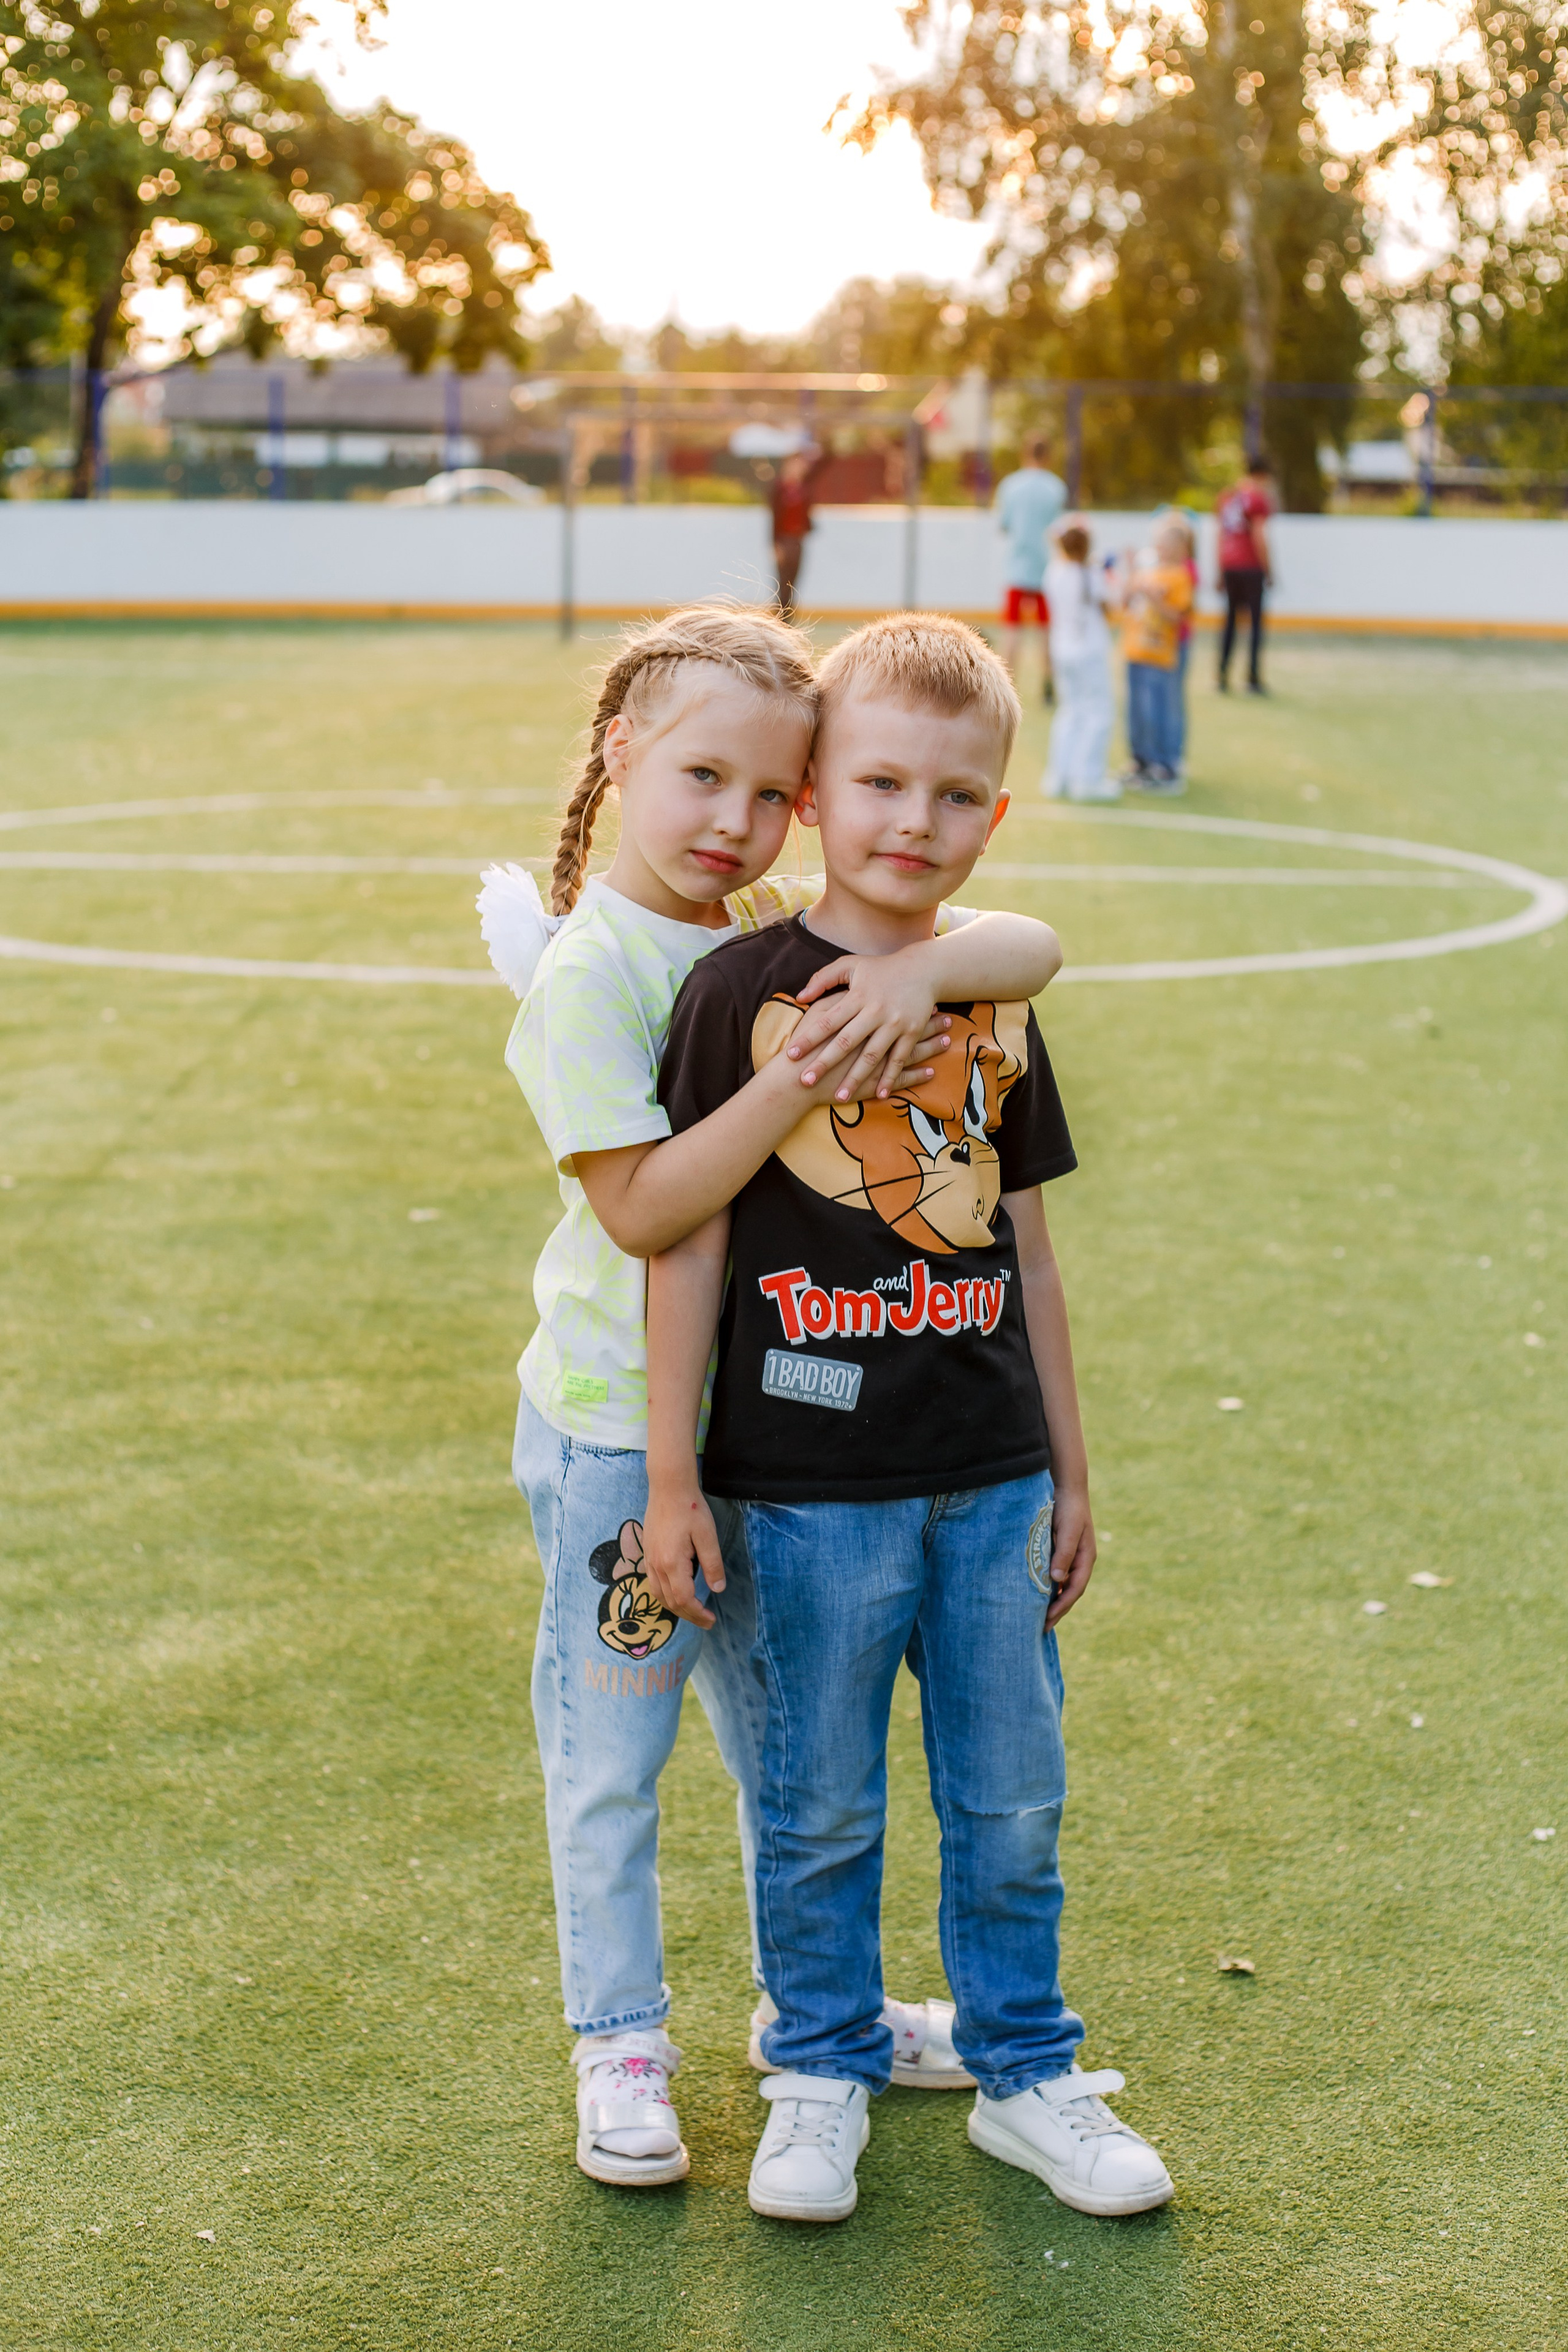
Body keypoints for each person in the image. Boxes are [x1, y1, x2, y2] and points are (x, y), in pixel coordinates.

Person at [476, 604, 1063, 2192]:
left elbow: (1022, 949)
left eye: (765, 788)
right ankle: (619, 2043)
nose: (732, 820)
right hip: (625, 1437)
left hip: (783, 1436)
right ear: (620, 755)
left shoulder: (764, 927)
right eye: (700, 778)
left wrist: (928, 964)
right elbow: (651, 1212)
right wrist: (794, 1077)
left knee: (787, 1760)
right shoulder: (600, 972)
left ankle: (826, 2014)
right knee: (611, 1754)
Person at [645, 613, 1174, 2227]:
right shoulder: (740, 992)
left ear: (993, 820)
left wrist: (1073, 1465)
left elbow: (1024, 1243)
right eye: (878, 781)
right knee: (815, 1807)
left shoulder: (995, 1004)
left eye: (955, 797)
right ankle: (818, 2071)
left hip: (994, 1483)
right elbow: (687, 1240)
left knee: (1012, 1801)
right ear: (814, 792)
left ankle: (1026, 2073)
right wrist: (673, 1474)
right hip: (804, 1491)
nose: (912, 823)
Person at [1042, 519, 1118, 802]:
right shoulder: (1090, 574)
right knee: (1098, 712)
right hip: (1090, 651)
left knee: (1071, 711)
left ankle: (1058, 775)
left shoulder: (1055, 572)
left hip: (1063, 648)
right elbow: (1109, 609)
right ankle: (1087, 778)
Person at [1119, 521, 1194, 791]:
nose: (1160, 547)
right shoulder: (1146, 572)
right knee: (1136, 711)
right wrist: (1132, 574)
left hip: (1160, 656)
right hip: (1135, 651)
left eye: (1167, 543)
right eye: (1158, 541)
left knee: (1159, 711)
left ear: (1181, 548)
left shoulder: (1180, 577)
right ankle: (1140, 761)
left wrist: (1153, 597)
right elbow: (1125, 601)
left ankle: (1165, 766)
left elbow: (1178, 616)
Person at [993, 434, 1068, 702]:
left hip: (1017, 567)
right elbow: (1059, 530)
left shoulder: (1010, 486)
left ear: (1025, 454)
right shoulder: (1056, 488)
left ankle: (1005, 688)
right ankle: (1048, 684)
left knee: (1012, 630)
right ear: (1047, 456)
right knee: (1046, 630)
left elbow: (1004, 525)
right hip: (1046, 569)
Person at [1216, 454, 1275, 693]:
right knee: (1255, 624)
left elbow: (1221, 536)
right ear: (1262, 475)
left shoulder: (1228, 497)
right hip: (1250, 567)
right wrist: (1269, 570)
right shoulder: (1258, 499)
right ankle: (1252, 678)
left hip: (1230, 565)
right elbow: (1260, 537)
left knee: (1230, 622)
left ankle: (1221, 675)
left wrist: (1220, 569)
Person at [769, 449, 818, 616]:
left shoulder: (804, 488)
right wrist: (775, 544)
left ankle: (789, 617)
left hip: (797, 540)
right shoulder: (780, 489)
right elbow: (775, 518)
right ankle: (780, 617)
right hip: (784, 540)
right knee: (783, 582)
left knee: (794, 581)